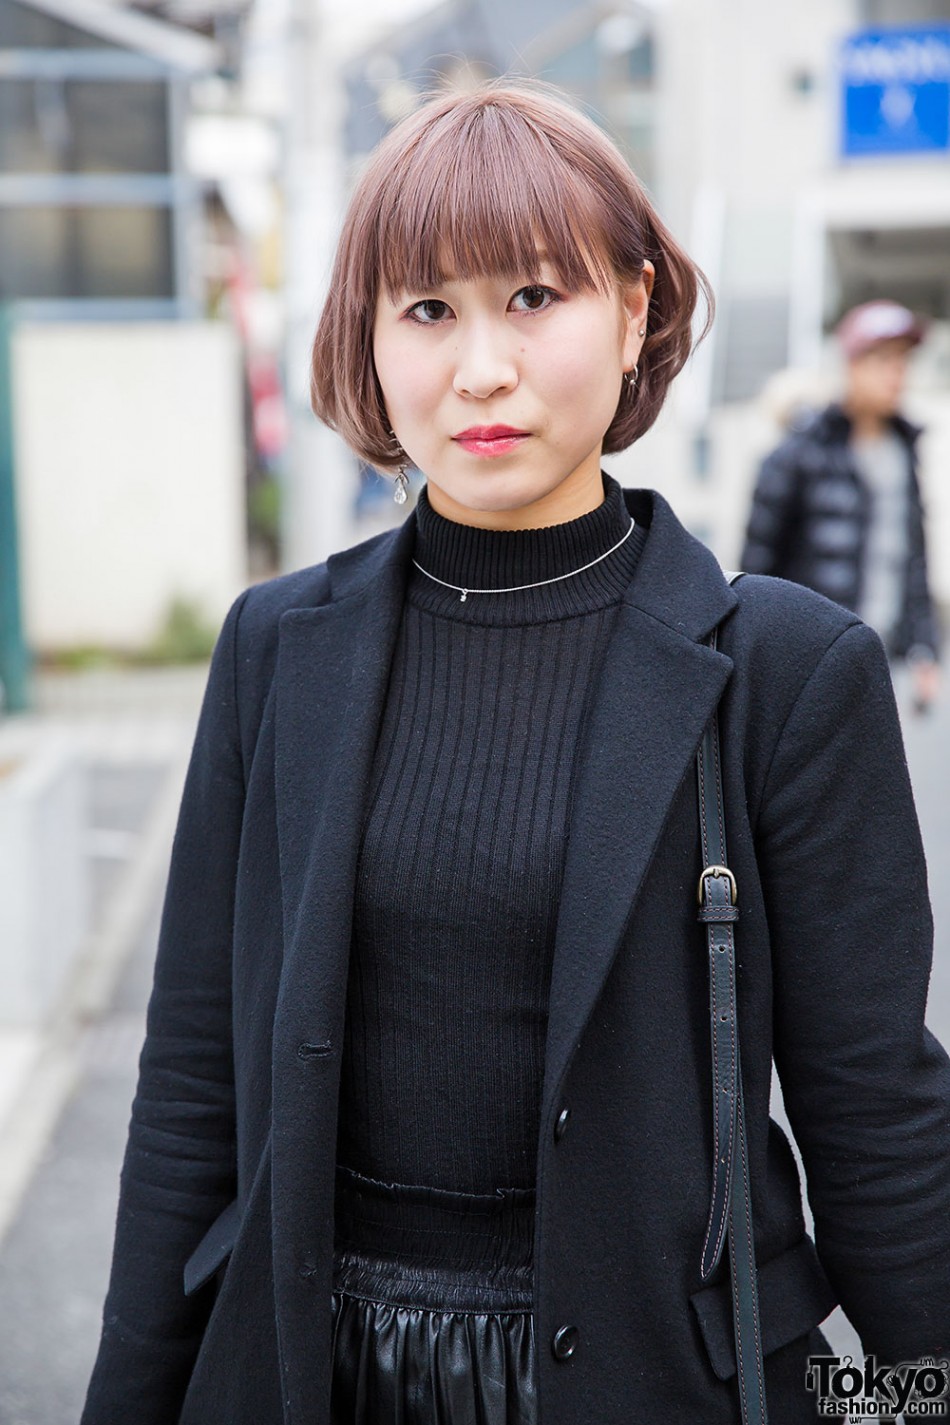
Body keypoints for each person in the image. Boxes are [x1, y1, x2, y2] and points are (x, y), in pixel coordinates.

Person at [81, 80, 950, 1425]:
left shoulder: (784, 669)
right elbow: (195, 1082)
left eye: (533, 297)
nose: (479, 366)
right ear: (367, 341)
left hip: (659, 1374)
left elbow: (871, 1105)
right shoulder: (274, 652)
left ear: (637, 308)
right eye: (426, 310)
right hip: (311, 1371)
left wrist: (924, 1372)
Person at [741, 299, 941, 712]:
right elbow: (757, 567)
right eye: (883, 359)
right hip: (807, 663)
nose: (897, 373)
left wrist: (925, 648)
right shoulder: (797, 454)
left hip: (880, 660)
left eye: (903, 360)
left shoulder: (904, 453)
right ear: (851, 365)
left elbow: (915, 562)